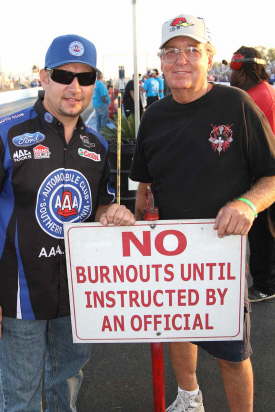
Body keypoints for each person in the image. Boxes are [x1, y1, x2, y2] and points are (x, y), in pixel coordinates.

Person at [130, 13, 275, 412]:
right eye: (171, 51)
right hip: (170, 254)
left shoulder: (237, 105)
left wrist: (247, 203)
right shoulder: (155, 117)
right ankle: (189, 397)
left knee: (231, 352)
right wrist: (136, 221)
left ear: (208, 57)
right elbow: (144, 187)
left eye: (191, 50)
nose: (181, 60)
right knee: (177, 327)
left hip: (222, 255)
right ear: (160, 60)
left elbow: (271, 177)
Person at [0, 34, 135, 412]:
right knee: (20, 397)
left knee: (67, 387)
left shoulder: (97, 145)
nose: (74, 87)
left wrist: (111, 212)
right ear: (45, 78)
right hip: (18, 297)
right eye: (63, 74)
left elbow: (100, 203)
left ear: (95, 83)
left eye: (85, 77)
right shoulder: (7, 134)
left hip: (77, 296)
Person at [230, 46, 275, 303]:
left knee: (261, 232)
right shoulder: (267, 91)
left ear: (245, 70)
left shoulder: (253, 97)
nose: (232, 76)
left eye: (235, 70)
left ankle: (265, 285)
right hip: (268, 168)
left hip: (264, 172)